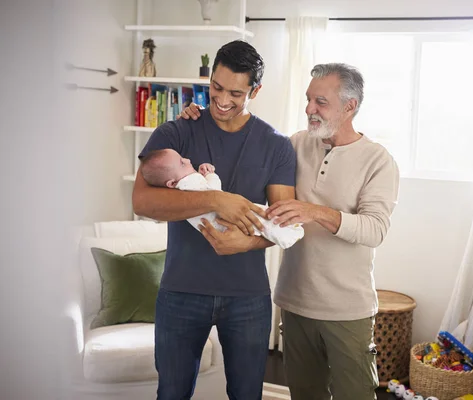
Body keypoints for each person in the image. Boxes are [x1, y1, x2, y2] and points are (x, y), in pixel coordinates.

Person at [179, 62, 400, 400]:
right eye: (308, 99)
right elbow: (241, 150)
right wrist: (199, 119)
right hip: (295, 304)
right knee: (305, 395)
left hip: (347, 310)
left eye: (320, 102)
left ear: (350, 106)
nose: (309, 109)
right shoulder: (296, 144)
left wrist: (315, 212)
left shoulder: (378, 161)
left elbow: (375, 229)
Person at [133, 40, 297, 400]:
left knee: (246, 395)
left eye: (236, 93)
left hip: (247, 296)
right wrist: (215, 200)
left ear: (256, 90)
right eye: (216, 88)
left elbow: (283, 222)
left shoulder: (277, 146)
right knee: (171, 393)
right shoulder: (176, 132)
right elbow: (142, 201)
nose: (222, 101)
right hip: (181, 289)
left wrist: (249, 242)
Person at [139, 148, 304, 249]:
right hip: (221, 220)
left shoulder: (181, 186)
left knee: (258, 223)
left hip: (216, 227)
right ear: (172, 182)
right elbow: (216, 194)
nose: (188, 160)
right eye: (182, 163)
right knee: (259, 219)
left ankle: (287, 232)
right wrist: (211, 174)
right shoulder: (189, 182)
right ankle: (288, 234)